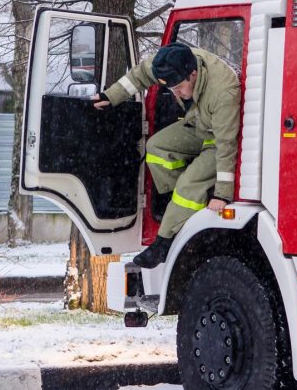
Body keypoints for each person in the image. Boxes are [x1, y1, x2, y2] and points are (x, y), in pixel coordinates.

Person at [94, 42, 241, 268]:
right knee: (156, 148)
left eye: (179, 87)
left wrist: (222, 194)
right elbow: (141, 74)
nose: (176, 94)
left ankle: (163, 243)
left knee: (188, 185)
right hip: (198, 124)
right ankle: (184, 204)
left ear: (193, 74)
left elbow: (226, 145)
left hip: (217, 138)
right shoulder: (171, 63)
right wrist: (111, 95)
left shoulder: (223, 91)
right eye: (171, 89)